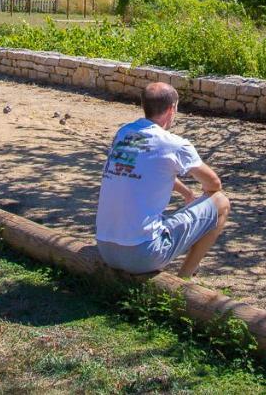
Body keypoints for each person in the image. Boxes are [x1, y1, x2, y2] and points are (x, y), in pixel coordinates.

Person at [95, 82, 231, 278]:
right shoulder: (174, 144)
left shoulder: (124, 134)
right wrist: (201, 195)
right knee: (220, 202)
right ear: (171, 109)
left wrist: (186, 193)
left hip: (106, 249)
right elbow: (214, 184)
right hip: (143, 255)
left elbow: (139, 171)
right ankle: (185, 277)